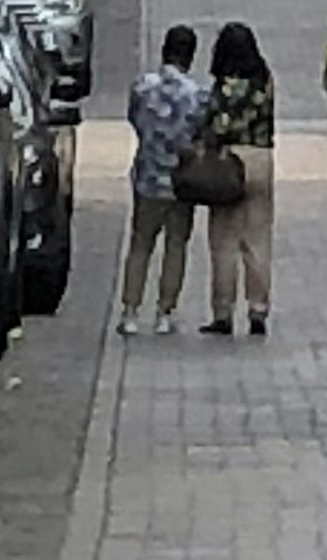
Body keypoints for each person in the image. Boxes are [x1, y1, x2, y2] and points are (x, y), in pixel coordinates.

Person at [117, 20, 205, 334]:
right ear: (191, 56)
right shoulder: (197, 96)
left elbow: (135, 121)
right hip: (182, 181)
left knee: (140, 243)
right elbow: (200, 134)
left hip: (147, 176)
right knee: (176, 245)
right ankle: (165, 312)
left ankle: (130, 311)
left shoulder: (142, 87)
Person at [195, 22, 277, 336]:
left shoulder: (225, 85)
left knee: (224, 242)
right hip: (262, 159)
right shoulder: (264, 81)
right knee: (257, 241)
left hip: (230, 161)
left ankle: (223, 313)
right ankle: (258, 310)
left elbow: (217, 125)